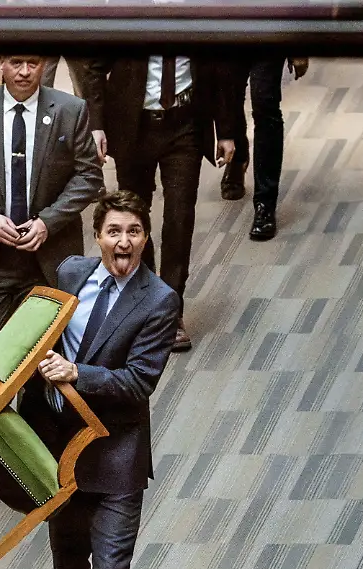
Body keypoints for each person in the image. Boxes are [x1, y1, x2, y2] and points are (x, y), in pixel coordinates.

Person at [20, 190, 179, 569]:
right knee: (68, 568)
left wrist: (76, 374)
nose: (124, 242)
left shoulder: (159, 300)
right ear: (98, 236)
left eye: (134, 231)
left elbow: (138, 385)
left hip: (115, 458)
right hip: (59, 456)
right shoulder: (70, 274)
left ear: (146, 237)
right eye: (115, 231)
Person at [0, 55, 103, 366]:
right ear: (1, 63)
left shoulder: (70, 110)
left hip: (46, 257)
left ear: (43, 65)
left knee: (45, 353)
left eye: (33, 63)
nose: (25, 72)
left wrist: (47, 222)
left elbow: (89, 176)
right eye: (16, 62)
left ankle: (33, 413)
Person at [80, 56, 241, 352]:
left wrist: (227, 130)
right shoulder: (130, 10)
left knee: (180, 217)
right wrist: (97, 124)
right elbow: (94, 68)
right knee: (134, 217)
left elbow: (221, 69)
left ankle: (170, 309)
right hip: (134, 126)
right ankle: (145, 297)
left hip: (185, 126)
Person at [220, 57, 310, 241]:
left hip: (269, 35)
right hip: (229, 33)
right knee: (228, 100)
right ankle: (238, 158)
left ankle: (265, 203)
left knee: (265, 104)